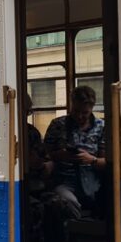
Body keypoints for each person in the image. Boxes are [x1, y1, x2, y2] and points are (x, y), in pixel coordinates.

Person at [44, 86, 107, 215]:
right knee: (67, 202)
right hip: (64, 180)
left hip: (93, 180)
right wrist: (60, 155)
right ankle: (78, 224)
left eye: (85, 113)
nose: (79, 116)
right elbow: (44, 154)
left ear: (92, 108)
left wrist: (91, 160)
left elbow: (107, 162)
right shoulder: (57, 124)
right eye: (76, 111)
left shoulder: (101, 127)